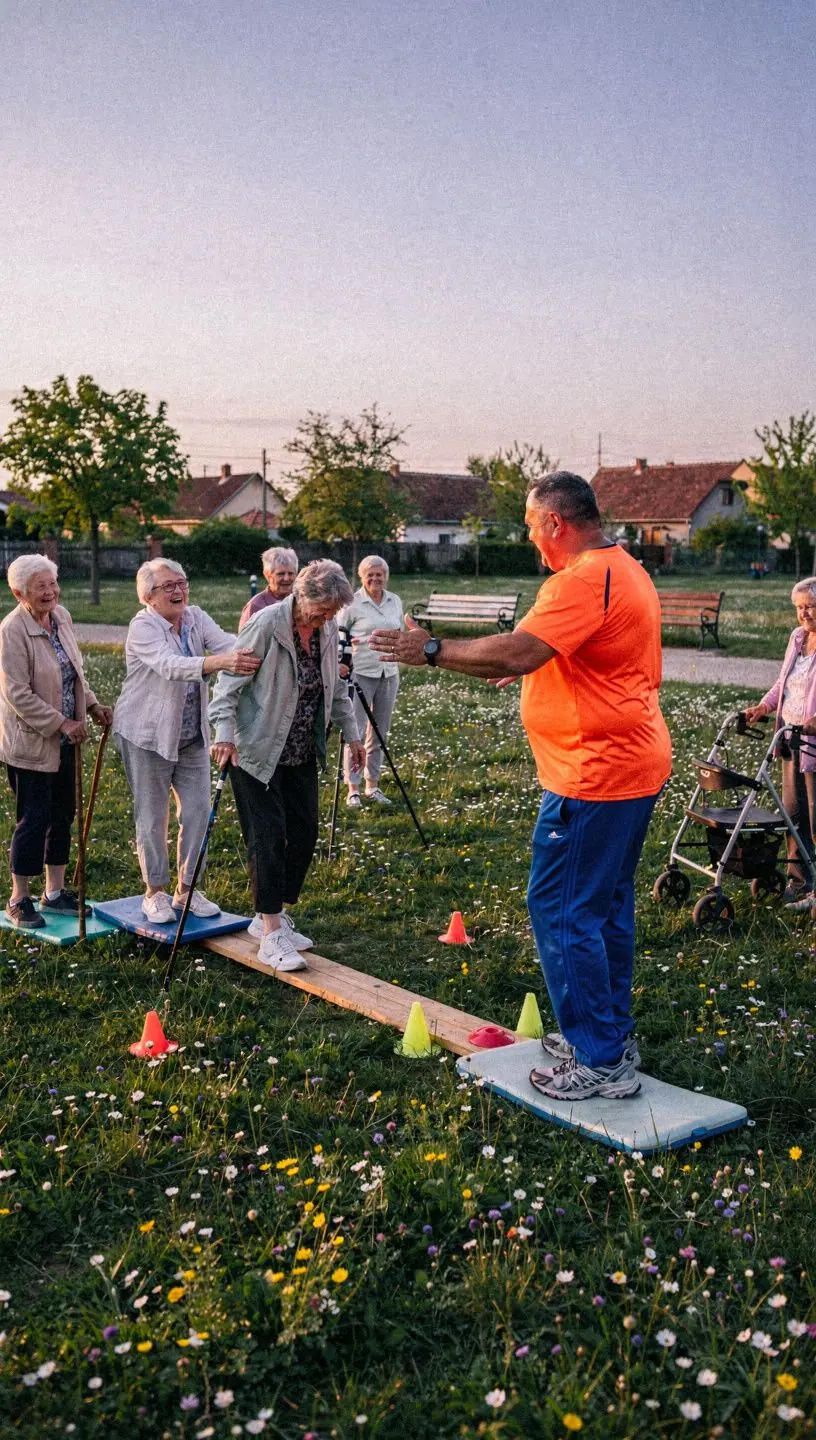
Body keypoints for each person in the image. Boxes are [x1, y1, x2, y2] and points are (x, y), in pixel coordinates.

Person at [371, 472, 672, 1102]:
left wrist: (428, 649)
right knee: (605, 909)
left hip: (593, 775)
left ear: (557, 523)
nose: (533, 540)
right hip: (628, 765)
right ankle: (609, 1037)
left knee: (562, 911)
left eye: (533, 526)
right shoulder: (624, 567)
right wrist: (535, 671)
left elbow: (517, 652)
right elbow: (573, 653)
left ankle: (599, 1059)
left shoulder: (583, 578)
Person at [210, 560, 365, 972]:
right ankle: (270, 929)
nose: (328, 618)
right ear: (302, 596)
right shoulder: (265, 625)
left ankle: (274, 915)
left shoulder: (327, 629)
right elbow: (226, 687)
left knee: (305, 831)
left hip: (300, 749)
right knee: (268, 836)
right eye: (323, 610)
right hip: (256, 751)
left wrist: (352, 735)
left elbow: (334, 689)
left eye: (333, 612)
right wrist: (223, 733)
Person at [112, 559, 260, 924]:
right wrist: (220, 662)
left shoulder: (194, 616)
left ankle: (187, 890)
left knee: (197, 812)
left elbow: (230, 642)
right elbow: (170, 665)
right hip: (146, 735)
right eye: (168, 586)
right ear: (148, 596)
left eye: (182, 583)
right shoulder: (143, 626)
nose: (179, 591)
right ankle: (155, 892)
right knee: (153, 815)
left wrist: (254, 650)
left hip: (191, 735)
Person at [0, 555, 113, 929]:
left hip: (67, 739)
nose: (50, 592)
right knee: (33, 819)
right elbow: (17, 694)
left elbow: (72, 673)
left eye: (53, 583)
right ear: (19, 593)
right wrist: (61, 722)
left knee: (63, 813)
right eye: (40, 587)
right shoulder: (11, 631)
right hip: (30, 743)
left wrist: (93, 705)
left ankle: (54, 891)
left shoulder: (61, 617)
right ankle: (19, 899)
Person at [743, 577, 816, 909]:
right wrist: (765, 706)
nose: (804, 614)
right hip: (790, 737)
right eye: (799, 608)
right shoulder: (797, 638)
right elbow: (782, 682)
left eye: (810, 606)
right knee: (793, 814)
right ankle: (800, 883)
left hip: (813, 742)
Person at [336, 554, 404, 808]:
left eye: (380, 574)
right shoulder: (352, 603)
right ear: (362, 578)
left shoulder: (394, 600)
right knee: (354, 730)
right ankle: (352, 787)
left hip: (389, 671)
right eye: (370, 575)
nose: (375, 579)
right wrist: (343, 660)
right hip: (360, 671)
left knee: (379, 731)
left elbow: (400, 632)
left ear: (386, 576)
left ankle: (372, 785)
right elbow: (338, 635)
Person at [238, 547, 298, 630]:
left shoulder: (301, 601)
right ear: (267, 575)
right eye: (281, 574)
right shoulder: (256, 606)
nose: (286, 578)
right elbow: (245, 641)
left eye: (291, 573)